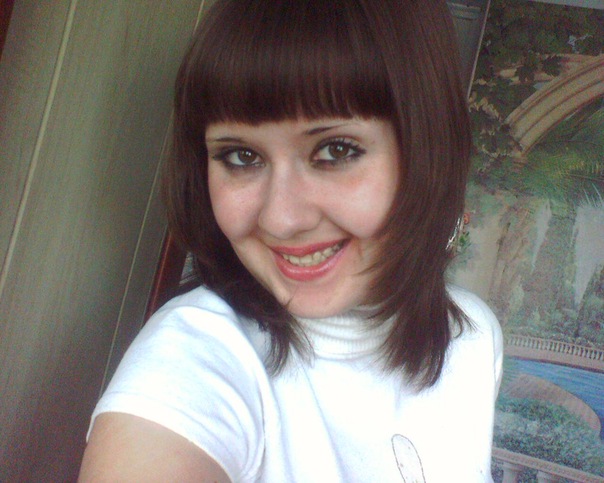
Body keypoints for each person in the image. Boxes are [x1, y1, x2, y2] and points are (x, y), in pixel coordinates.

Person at [80, 0, 503, 481]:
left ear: (427, 151)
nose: (281, 219)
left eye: (335, 150)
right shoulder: (193, 360)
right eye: (241, 156)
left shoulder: (472, 335)